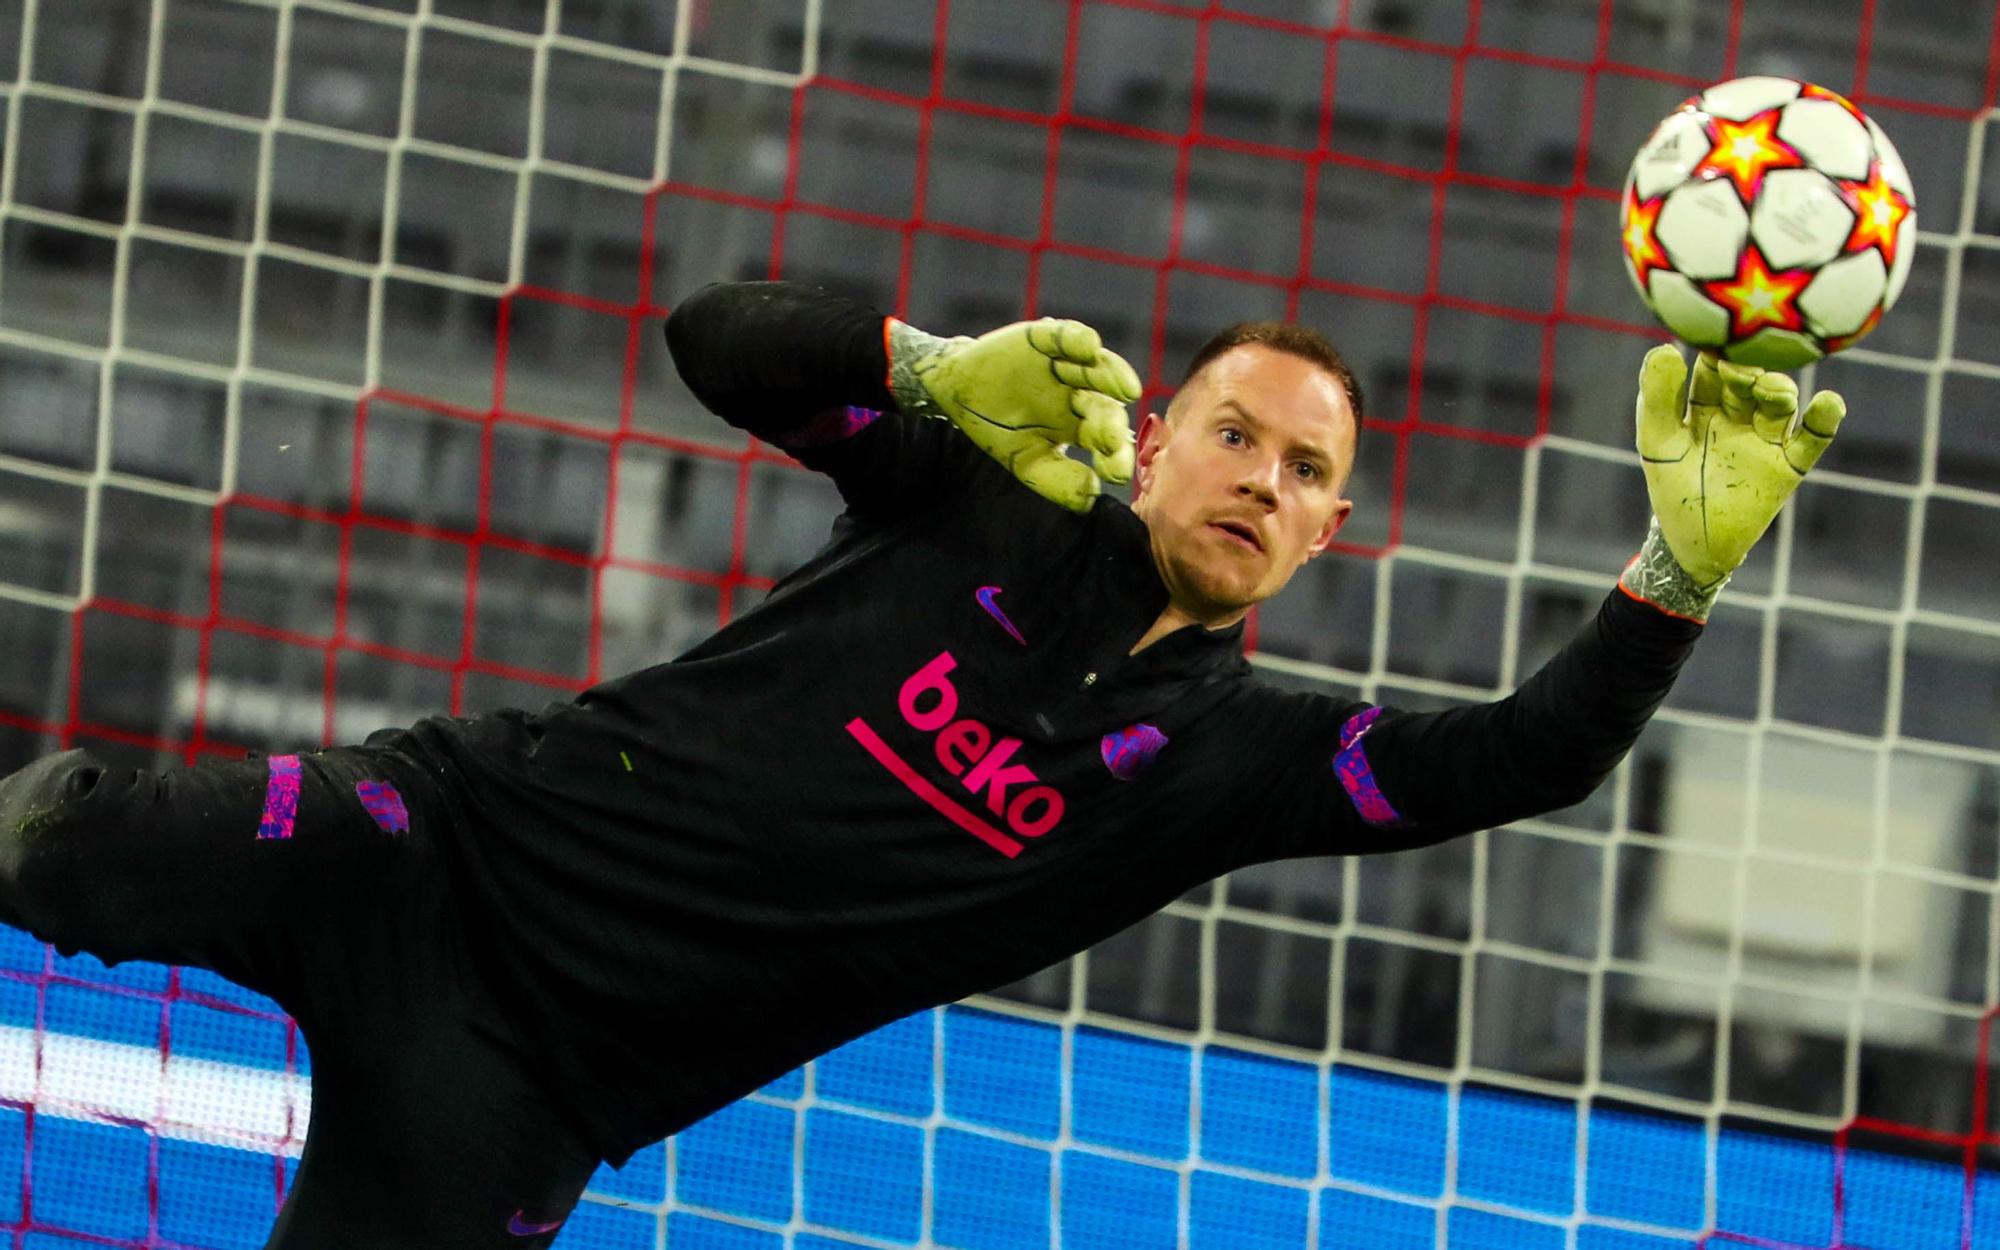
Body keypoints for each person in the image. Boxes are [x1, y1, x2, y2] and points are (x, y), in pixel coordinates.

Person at [0, 279, 1844, 1248]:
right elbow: (712, 340)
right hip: (427, 847)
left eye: (1300, 470)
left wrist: (1674, 575)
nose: (1257, 477)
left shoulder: (1245, 763)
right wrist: (925, 360)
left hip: (533, 1087)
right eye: (1231, 431)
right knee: (61, 843)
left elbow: (1524, 757)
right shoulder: (978, 482)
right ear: (1154, 446)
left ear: (1328, 531)